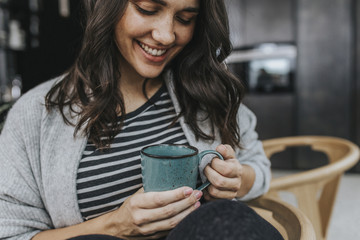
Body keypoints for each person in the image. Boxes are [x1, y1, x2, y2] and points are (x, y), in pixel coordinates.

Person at [0, 0, 282, 239]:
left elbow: (258, 166)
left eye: (185, 18)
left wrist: (236, 180)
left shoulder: (208, 93)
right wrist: (115, 225)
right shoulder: (35, 114)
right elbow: (12, 233)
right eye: (147, 9)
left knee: (224, 218)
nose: (166, 36)